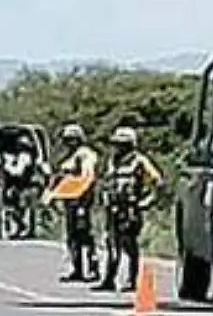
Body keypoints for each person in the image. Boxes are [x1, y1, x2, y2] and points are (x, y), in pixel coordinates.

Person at [96, 126, 164, 292]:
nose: (117, 148)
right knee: (112, 244)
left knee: (129, 245)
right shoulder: (111, 162)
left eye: (121, 144)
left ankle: (132, 280)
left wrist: (147, 201)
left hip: (130, 210)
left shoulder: (139, 161)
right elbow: (105, 182)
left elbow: (157, 182)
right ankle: (109, 279)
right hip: (112, 208)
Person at [53, 123, 102, 282]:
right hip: (70, 202)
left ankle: (93, 268)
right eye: (67, 140)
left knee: (85, 235)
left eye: (71, 140)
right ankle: (77, 268)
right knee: (72, 236)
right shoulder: (70, 156)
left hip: (82, 201)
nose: (68, 143)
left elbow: (88, 178)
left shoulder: (86, 155)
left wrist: (83, 203)